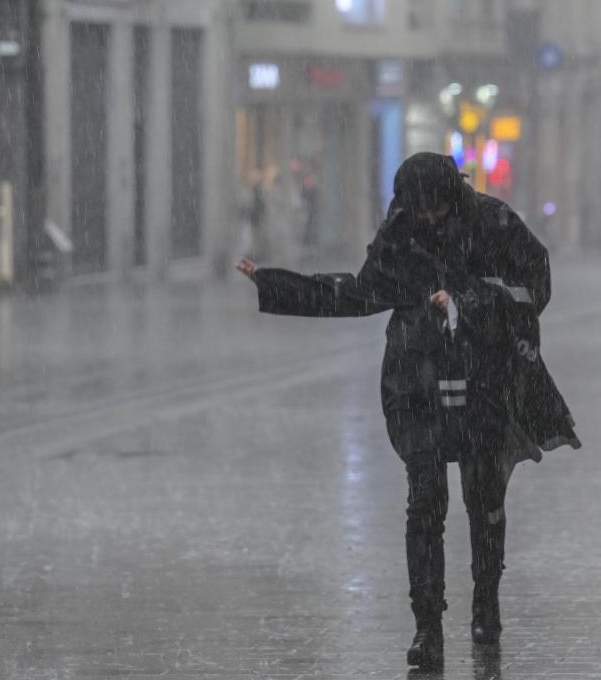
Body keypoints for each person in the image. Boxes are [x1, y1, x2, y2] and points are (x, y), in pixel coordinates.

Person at [235, 152, 579, 670]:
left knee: (483, 498)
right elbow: (361, 292)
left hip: (482, 377)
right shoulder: (401, 230)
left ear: (452, 198)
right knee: (425, 505)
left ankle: (485, 602)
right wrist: (277, 285)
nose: (431, 219)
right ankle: (427, 628)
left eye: (438, 209)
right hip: (414, 379)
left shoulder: (493, 221)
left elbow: (536, 289)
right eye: (422, 211)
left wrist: (468, 299)